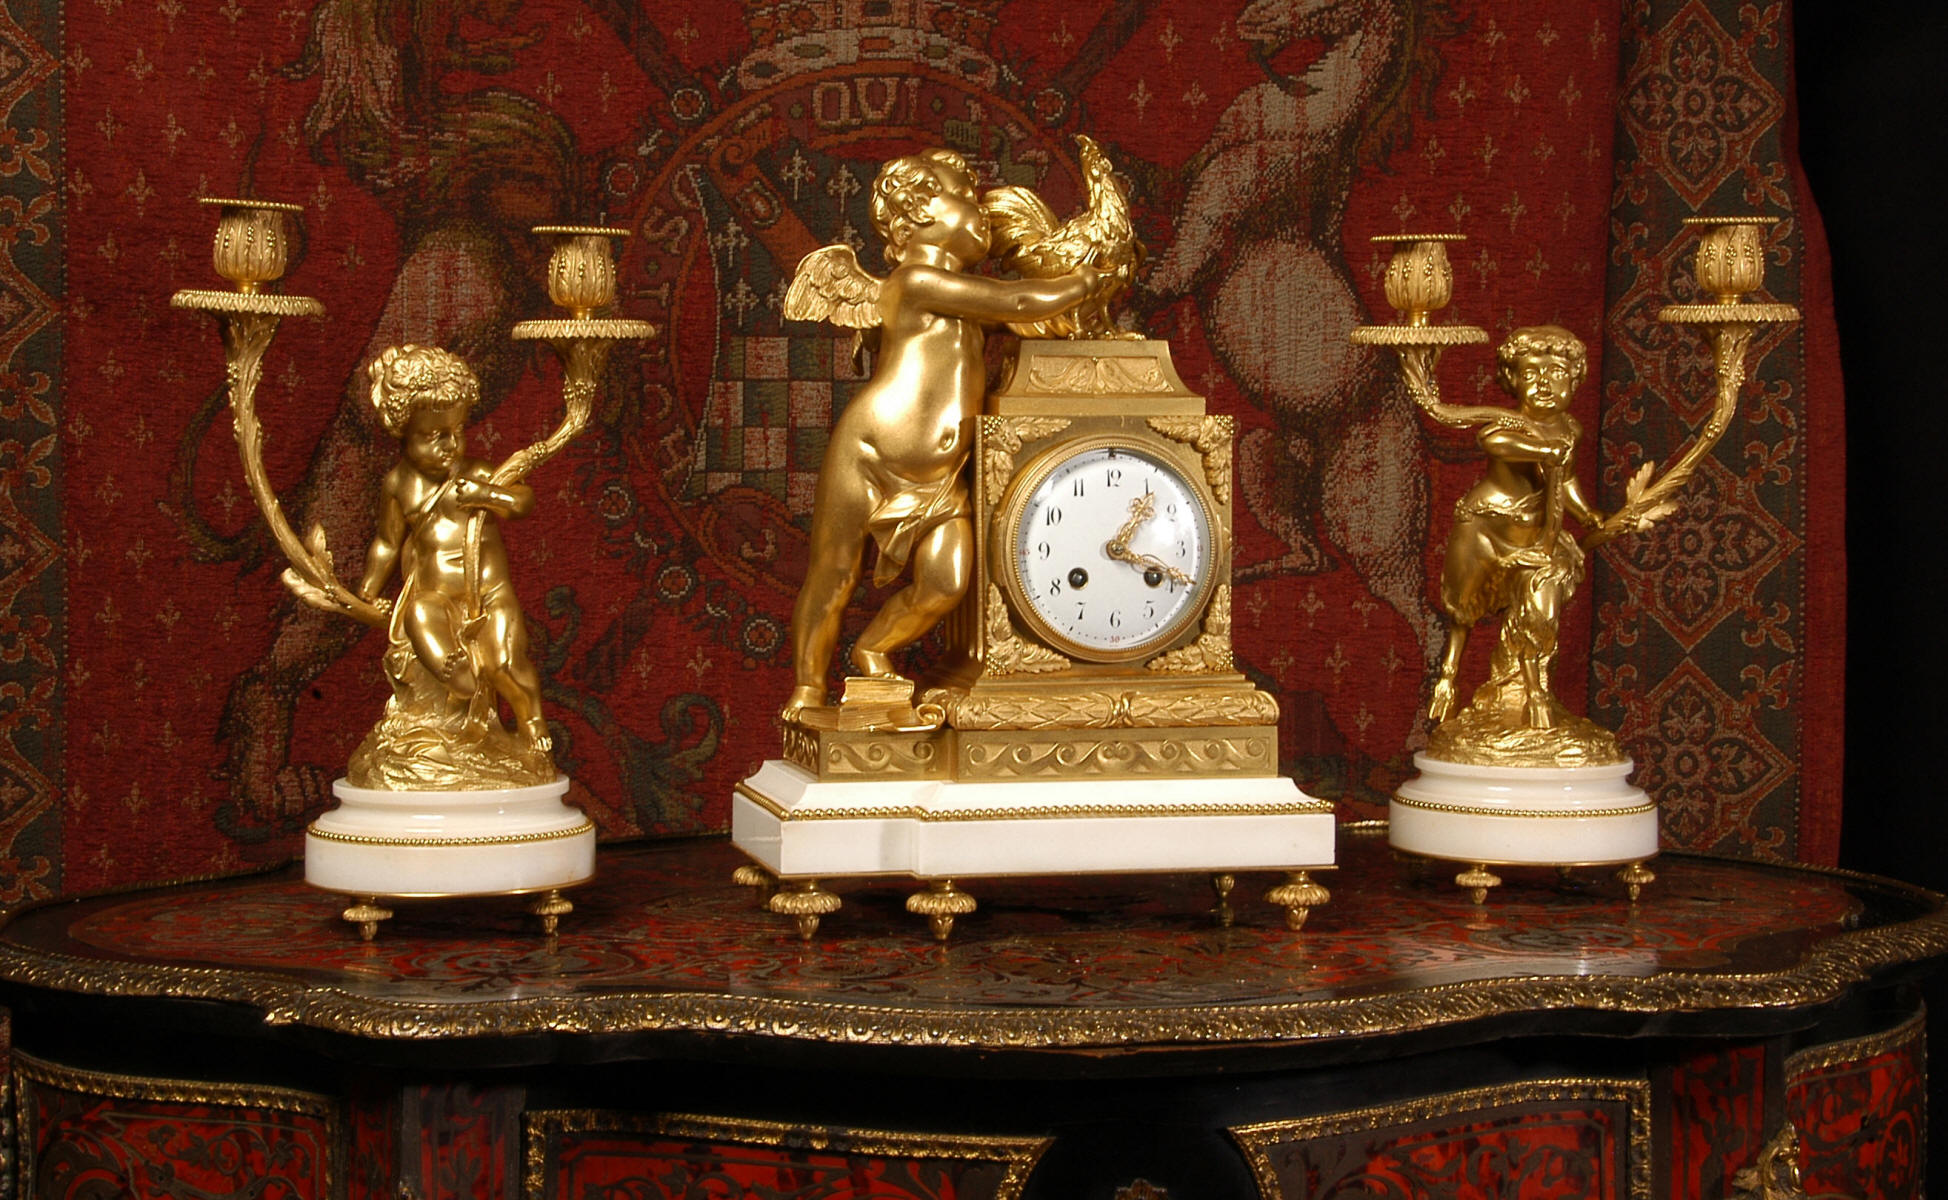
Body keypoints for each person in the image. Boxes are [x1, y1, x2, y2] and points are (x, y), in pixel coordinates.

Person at [781, 149, 1105, 721]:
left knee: (947, 581)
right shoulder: (914, 282)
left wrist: (1082, 313)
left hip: (941, 477)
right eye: (967, 198)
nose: (984, 211)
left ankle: (872, 649)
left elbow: (1029, 317)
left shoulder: (963, 295)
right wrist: (1081, 279)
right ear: (920, 210)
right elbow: (1018, 300)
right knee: (834, 573)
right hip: (869, 454)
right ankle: (808, 688)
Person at [354, 345, 552, 784]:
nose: (451, 444)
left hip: (490, 594)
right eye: (434, 435)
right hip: (437, 594)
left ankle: (532, 723)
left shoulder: (477, 473)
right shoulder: (398, 485)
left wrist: (487, 496)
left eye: (457, 430)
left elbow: (522, 501)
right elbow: (387, 543)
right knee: (419, 613)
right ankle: (454, 670)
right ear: (403, 432)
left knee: (505, 663)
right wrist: (368, 589)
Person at [1403, 326, 1605, 735]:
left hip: (1536, 537)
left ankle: (1533, 695)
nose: (1544, 383)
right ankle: (1448, 676)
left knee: (1539, 609)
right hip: (1484, 527)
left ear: (1575, 379)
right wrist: (1543, 450)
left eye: (1556, 372)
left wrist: (1586, 514)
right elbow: (1495, 442)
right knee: (1464, 607)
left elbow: (1564, 478)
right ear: (1513, 380)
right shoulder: (1506, 426)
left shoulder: (1570, 429)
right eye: (1531, 373)